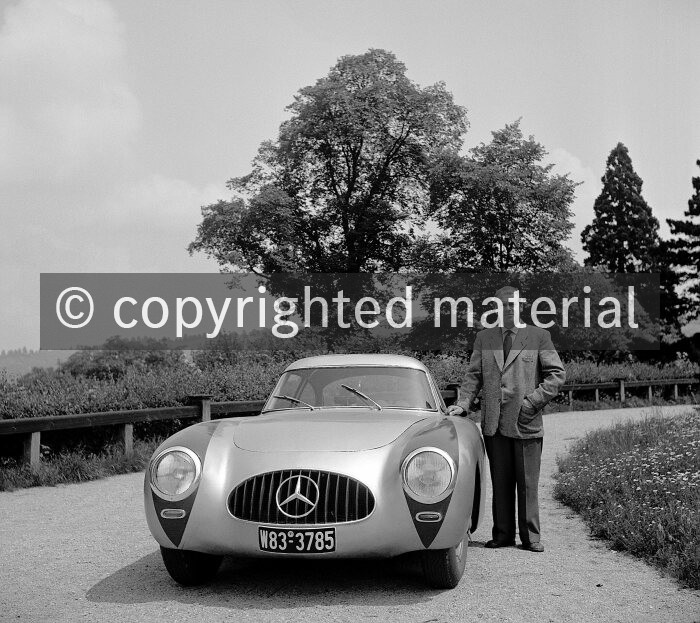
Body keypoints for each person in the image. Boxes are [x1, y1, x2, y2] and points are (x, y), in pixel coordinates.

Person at [446, 286, 565, 552]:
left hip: (526, 421)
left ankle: (531, 537)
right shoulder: (484, 338)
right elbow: (473, 376)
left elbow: (556, 375)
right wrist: (463, 404)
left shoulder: (539, 336)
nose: (507, 309)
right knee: (500, 482)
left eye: (511, 304)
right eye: (501, 305)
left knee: (527, 484)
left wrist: (531, 403)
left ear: (520, 305)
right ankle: (502, 535)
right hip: (493, 424)